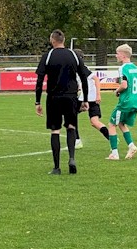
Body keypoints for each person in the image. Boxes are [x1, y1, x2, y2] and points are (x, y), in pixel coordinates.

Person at [34, 29, 90, 175]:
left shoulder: (48, 56)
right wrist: (84, 99)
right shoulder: (74, 55)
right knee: (71, 126)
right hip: (71, 96)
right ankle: (71, 158)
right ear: (63, 40)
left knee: (55, 130)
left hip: (54, 97)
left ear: (52, 40)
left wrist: (37, 101)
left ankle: (57, 167)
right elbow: (84, 77)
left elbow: (39, 80)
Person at [106, 44, 137, 160]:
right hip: (136, 100)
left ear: (122, 55)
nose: (116, 56)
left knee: (112, 124)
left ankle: (114, 154)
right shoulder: (135, 67)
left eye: (117, 54)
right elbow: (131, 81)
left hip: (126, 101)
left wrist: (117, 91)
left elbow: (124, 85)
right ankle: (131, 146)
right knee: (121, 123)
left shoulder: (123, 68)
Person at [73, 48, 110, 149]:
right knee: (94, 122)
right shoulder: (78, 68)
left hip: (87, 98)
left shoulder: (82, 68)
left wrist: (98, 94)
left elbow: (96, 79)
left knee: (70, 116)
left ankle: (77, 141)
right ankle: (112, 138)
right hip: (89, 97)